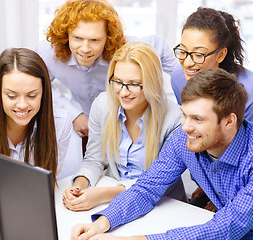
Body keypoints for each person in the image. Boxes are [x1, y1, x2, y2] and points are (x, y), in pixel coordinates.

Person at [70, 68, 253, 240]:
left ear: (229, 121)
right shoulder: (186, 139)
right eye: (184, 115)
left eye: (197, 119)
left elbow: (228, 228)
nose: (185, 127)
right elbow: (147, 187)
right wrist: (102, 223)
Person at [170, 7, 253, 210]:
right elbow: (202, 128)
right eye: (183, 51)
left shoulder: (251, 91)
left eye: (198, 54)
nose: (187, 62)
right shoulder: (179, 77)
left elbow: (241, 150)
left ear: (221, 54)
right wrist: (207, 185)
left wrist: (220, 200)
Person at [62, 42, 183, 211]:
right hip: (114, 199)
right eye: (117, 81)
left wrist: (101, 195)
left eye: (134, 84)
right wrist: (79, 185)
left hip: (163, 205)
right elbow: (93, 160)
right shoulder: (103, 104)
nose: (123, 92)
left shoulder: (176, 119)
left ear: (152, 83)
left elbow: (157, 182)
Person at [35, 0, 177, 142]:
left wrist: (186, 99)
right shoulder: (47, 52)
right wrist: (74, 114)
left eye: (95, 40)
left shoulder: (125, 48)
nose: (85, 49)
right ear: (66, 35)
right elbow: (39, 85)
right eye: (77, 38)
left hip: (126, 121)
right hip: (83, 122)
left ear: (108, 38)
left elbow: (160, 45)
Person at [0, 48, 72, 185]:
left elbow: (48, 179)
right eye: (12, 96)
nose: (22, 105)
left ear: (44, 92)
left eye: (32, 95)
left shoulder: (60, 122)